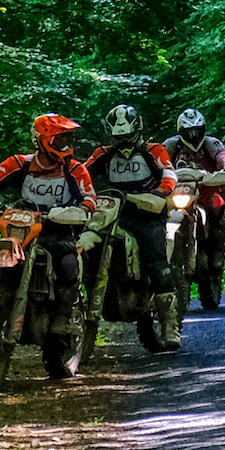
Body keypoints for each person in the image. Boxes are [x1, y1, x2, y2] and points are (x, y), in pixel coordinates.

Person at [0, 114, 97, 309]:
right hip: (21, 229)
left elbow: (90, 197)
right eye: (59, 140)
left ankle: (64, 318)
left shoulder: (75, 169)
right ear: (43, 141)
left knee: (68, 267)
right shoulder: (20, 163)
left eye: (67, 140)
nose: (65, 145)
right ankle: (1, 301)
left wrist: (81, 209)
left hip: (59, 230)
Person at [86, 104, 182, 348]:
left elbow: (169, 173)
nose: (123, 141)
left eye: (127, 136)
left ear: (138, 129)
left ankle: (170, 326)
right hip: (111, 212)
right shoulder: (103, 153)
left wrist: (162, 192)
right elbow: (81, 173)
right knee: (87, 245)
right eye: (118, 137)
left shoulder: (154, 150)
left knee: (156, 262)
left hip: (146, 213)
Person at [164, 107, 225, 291]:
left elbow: (224, 157)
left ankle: (216, 248)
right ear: (181, 131)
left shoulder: (211, 144)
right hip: (178, 190)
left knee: (217, 204)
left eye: (197, 131)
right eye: (189, 132)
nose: (194, 136)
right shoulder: (172, 145)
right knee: (159, 211)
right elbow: (158, 161)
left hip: (206, 189)